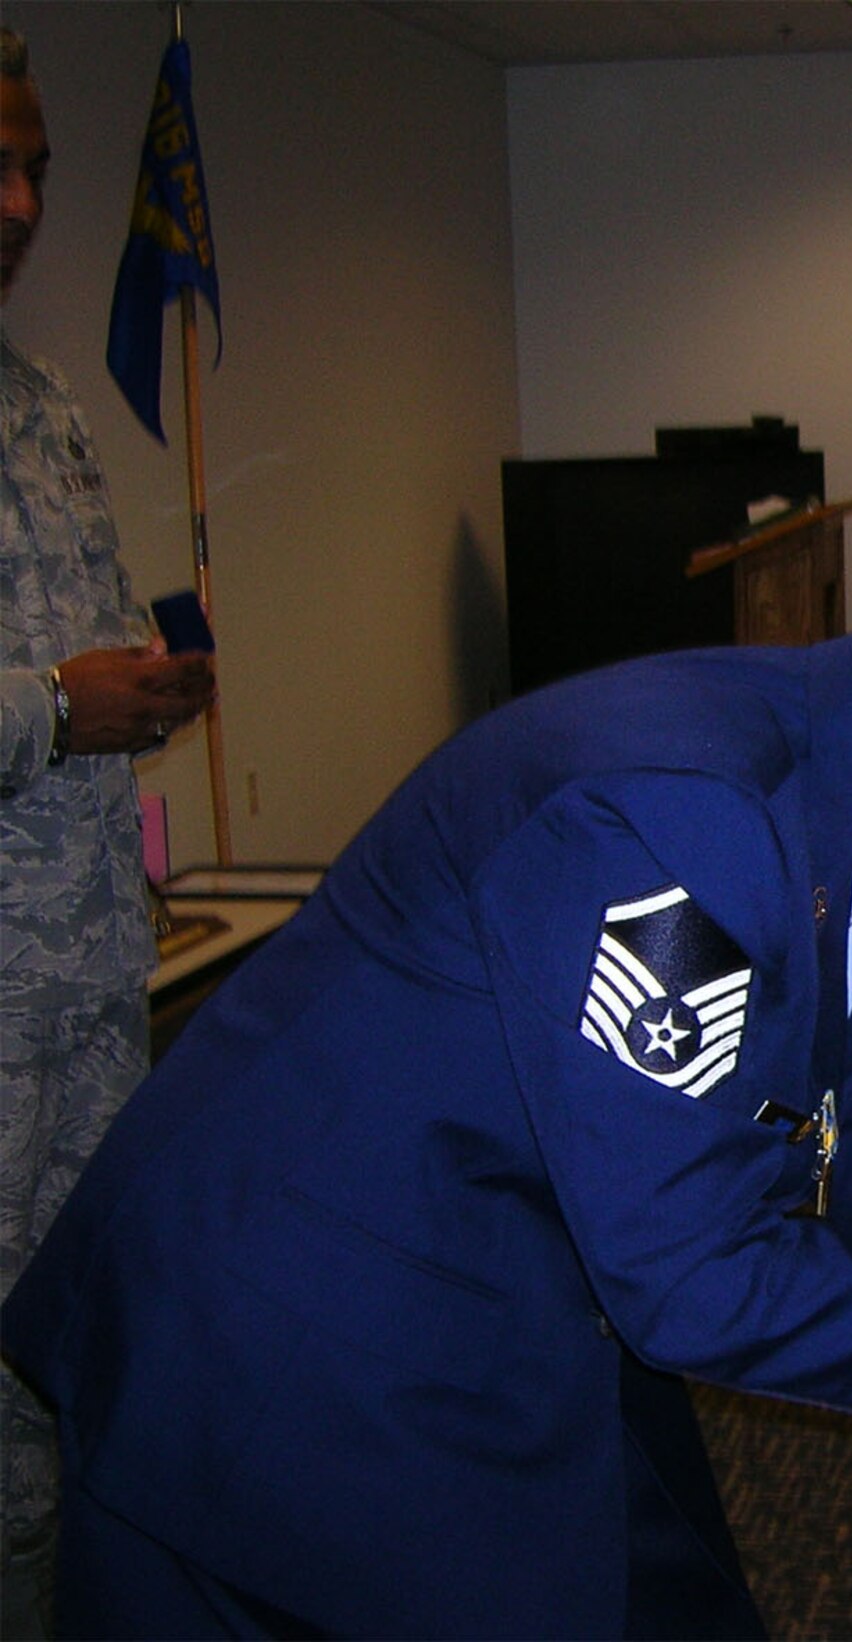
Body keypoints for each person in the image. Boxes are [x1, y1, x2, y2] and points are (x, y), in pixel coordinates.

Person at [0, 617, 852, 1639]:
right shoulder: (680, 841)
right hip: (275, 1342)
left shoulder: (850, 776)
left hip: (497, 1263)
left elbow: (830, 1109)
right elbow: (698, 1281)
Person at [0, 26, 216, 1639]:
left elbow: (66, 662)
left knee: (86, 1355)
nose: (18, 201)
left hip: (82, 997)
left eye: (39, 168)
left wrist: (137, 697)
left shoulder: (39, 396)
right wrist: (47, 709)